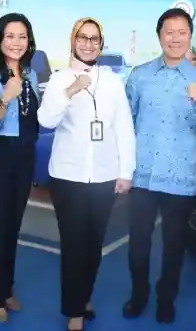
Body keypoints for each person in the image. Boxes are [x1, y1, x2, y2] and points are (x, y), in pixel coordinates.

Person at [38, 17, 136, 331]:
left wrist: (126, 171)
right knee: (74, 244)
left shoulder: (112, 82)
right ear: (73, 40)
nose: (88, 44)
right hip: (69, 177)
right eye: (83, 37)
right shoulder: (58, 79)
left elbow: (123, 127)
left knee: (94, 244)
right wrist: (69, 92)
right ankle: (74, 310)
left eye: (94, 39)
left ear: (101, 44)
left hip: (105, 175)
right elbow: (46, 120)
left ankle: (84, 294)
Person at [122, 8, 196, 324]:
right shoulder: (140, 75)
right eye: (169, 32)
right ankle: (138, 295)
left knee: (174, 247)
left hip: (179, 179)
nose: (175, 38)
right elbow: (127, 123)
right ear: (160, 36)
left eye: (182, 32)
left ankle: (166, 299)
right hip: (143, 177)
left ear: (189, 36)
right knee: (138, 246)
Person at [0, 13, 40, 322]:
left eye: (22, 36)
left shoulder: (31, 73)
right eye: (10, 36)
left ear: (29, 41)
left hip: (24, 153)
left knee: (14, 225)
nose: (16, 42)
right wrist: (5, 97)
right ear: (0, 39)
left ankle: (7, 287)